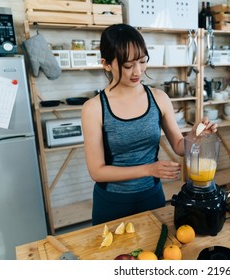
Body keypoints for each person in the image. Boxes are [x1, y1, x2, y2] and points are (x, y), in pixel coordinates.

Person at [81, 23, 218, 225]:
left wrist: (196, 135)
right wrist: (149, 169)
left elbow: (180, 147)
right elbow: (97, 171)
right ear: (106, 64)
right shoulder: (94, 108)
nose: (138, 71)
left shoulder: (159, 98)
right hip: (112, 202)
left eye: (142, 62)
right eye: (128, 66)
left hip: (151, 196)